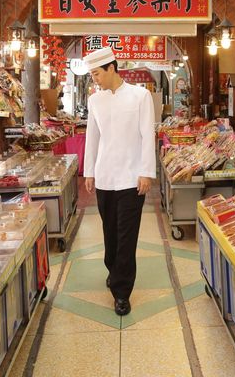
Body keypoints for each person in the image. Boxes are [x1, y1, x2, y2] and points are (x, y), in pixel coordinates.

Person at [83, 47, 156, 316]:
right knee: (110, 232)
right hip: (104, 177)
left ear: (111, 68)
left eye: (97, 74)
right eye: (91, 75)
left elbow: (148, 135)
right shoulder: (95, 101)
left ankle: (122, 292)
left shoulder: (140, 96)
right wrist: (89, 171)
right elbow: (93, 137)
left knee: (126, 236)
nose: (95, 79)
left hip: (132, 177)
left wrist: (146, 171)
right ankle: (113, 270)